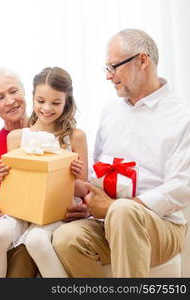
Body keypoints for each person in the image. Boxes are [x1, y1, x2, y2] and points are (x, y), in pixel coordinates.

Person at [52, 29, 190, 277]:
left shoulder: (182, 116)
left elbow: (182, 186)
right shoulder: (110, 111)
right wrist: (91, 203)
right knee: (65, 238)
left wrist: (116, 206)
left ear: (143, 60)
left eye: (113, 66)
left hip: (163, 226)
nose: (108, 76)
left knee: (123, 211)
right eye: (106, 68)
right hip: (109, 222)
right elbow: (98, 169)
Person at [0, 66, 88, 277]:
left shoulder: (76, 137)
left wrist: (71, 176)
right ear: (32, 97)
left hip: (57, 212)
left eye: (55, 103)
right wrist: (5, 176)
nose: (47, 108)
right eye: (40, 101)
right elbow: (14, 187)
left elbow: (83, 190)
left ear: (66, 101)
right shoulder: (16, 138)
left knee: (36, 240)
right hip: (23, 211)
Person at [0, 66, 37, 277]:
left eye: (13, 91)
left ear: (25, 92)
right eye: (0, 97)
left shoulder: (51, 130)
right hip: (13, 219)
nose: (10, 101)